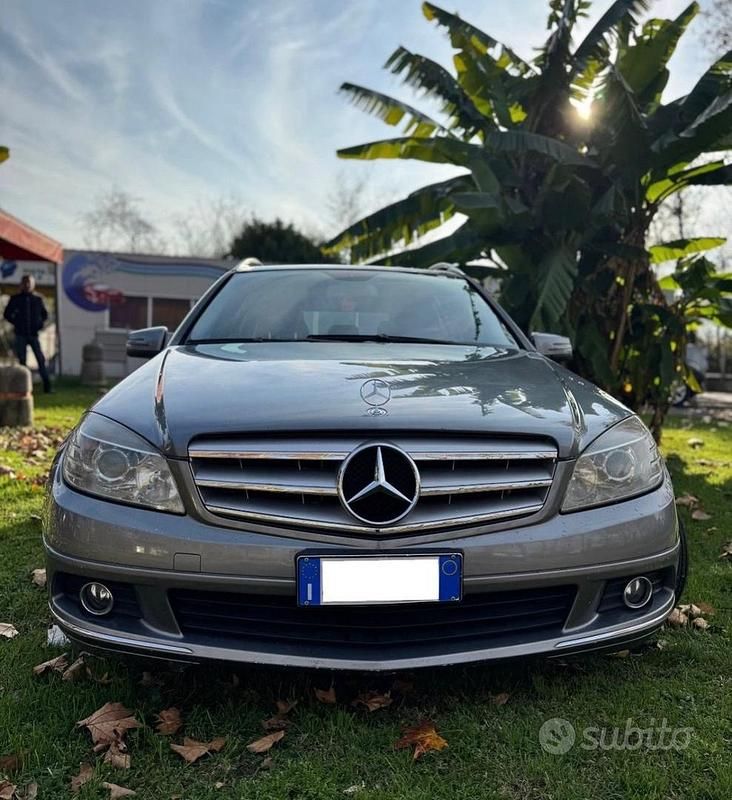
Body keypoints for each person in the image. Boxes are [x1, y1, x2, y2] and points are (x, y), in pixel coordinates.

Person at [3, 275, 52, 392]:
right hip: (20, 334)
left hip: (34, 335)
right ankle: (23, 387)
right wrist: (17, 322)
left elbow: (45, 315)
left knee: (40, 360)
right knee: (22, 361)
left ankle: (47, 387)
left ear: (33, 284)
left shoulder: (38, 299)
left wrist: (39, 325)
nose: (27, 285)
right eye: (25, 283)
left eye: (29, 283)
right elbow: (7, 314)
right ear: (21, 284)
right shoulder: (15, 299)